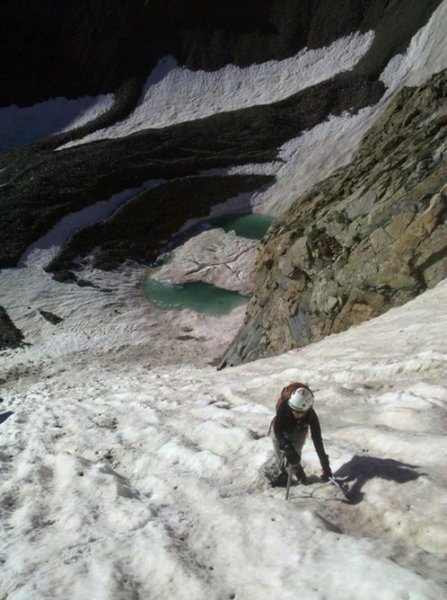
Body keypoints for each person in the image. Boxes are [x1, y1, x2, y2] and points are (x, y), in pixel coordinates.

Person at [270, 382, 332, 487]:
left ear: (306, 409)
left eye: (298, 412)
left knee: (294, 457)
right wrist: (285, 444)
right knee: (278, 449)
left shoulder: (311, 416)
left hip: (298, 432)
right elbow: (277, 428)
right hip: (281, 428)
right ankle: (284, 474)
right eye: (293, 410)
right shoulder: (284, 406)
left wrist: (326, 467)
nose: (295, 413)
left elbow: (317, 441)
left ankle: (297, 472)